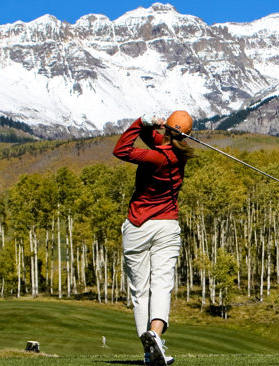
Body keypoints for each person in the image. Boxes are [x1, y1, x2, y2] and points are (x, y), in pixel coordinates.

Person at [113, 110, 195, 366]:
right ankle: (156, 336)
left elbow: (121, 150)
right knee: (161, 283)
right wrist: (152, 127)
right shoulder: (178, 155)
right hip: (167, 226)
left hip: (138, 226)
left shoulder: (156, 158)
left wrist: (140, 122)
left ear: (167, 130)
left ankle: (149, 348)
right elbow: (154, 140)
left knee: (141, 291)